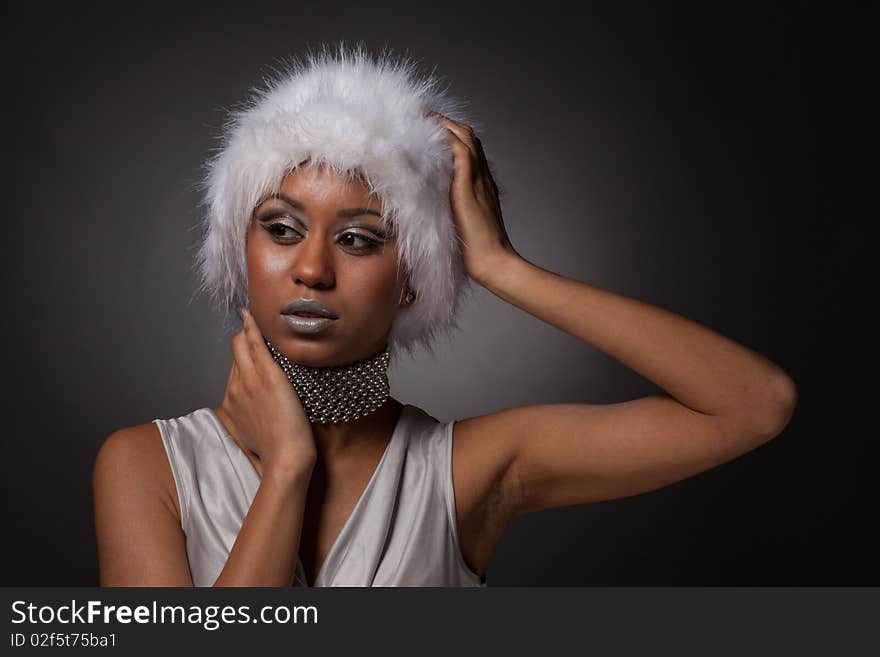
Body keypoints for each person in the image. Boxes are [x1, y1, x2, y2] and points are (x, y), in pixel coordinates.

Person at [93, 42, 798, 587]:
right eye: (280, 229)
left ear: (410, 282)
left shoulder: (465, 470)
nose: (311, 268)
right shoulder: (147, 465)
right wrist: (286, 470)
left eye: (359, 238)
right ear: (240, 250)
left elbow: (754, 405)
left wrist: (500, 267)